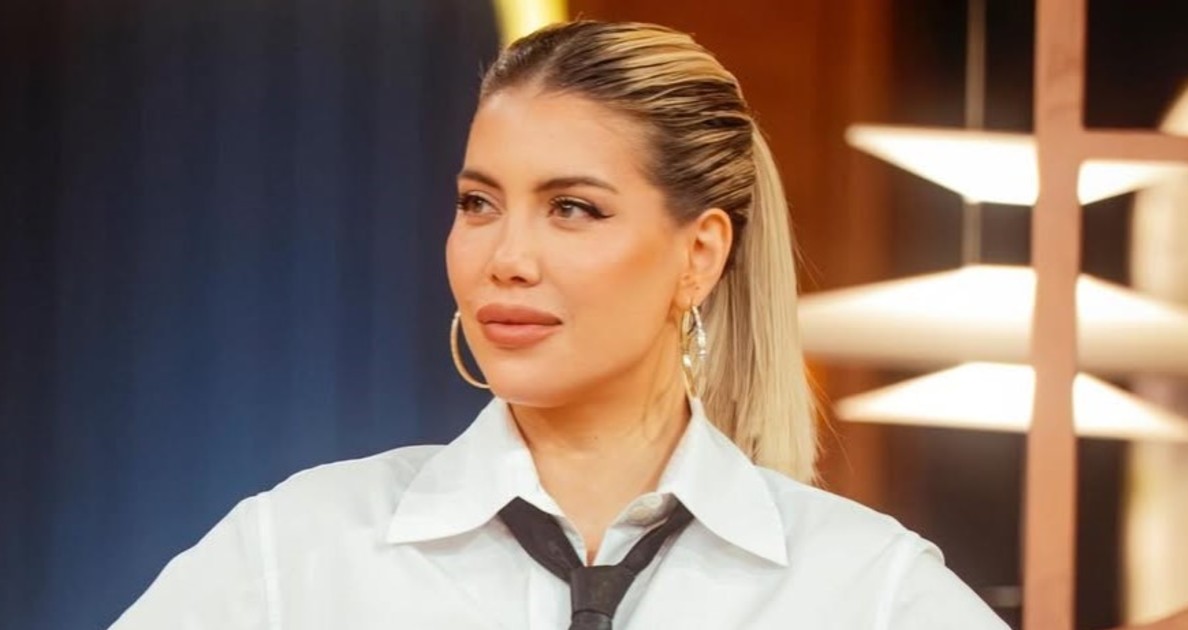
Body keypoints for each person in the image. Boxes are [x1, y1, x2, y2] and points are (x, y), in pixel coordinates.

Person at [113, 20, 1009, 629]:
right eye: (478, 203)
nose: (506, 256)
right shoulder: (298, 552)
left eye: (573, 208)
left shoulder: (863, 588)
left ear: (699, 255)